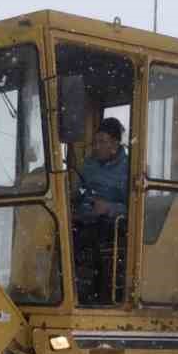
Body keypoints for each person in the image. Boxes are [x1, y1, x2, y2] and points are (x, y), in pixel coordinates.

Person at [72, 117, 130, 303]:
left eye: (102, 142)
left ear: (115, 143)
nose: (96, 147)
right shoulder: (89, 165)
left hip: (112, 226)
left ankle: (96, 297)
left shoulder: (129, 170)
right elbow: (79, 190)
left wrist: (108, 208)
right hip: (84, 219)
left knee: (92, 243)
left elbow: (137, 208)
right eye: (95, 142)